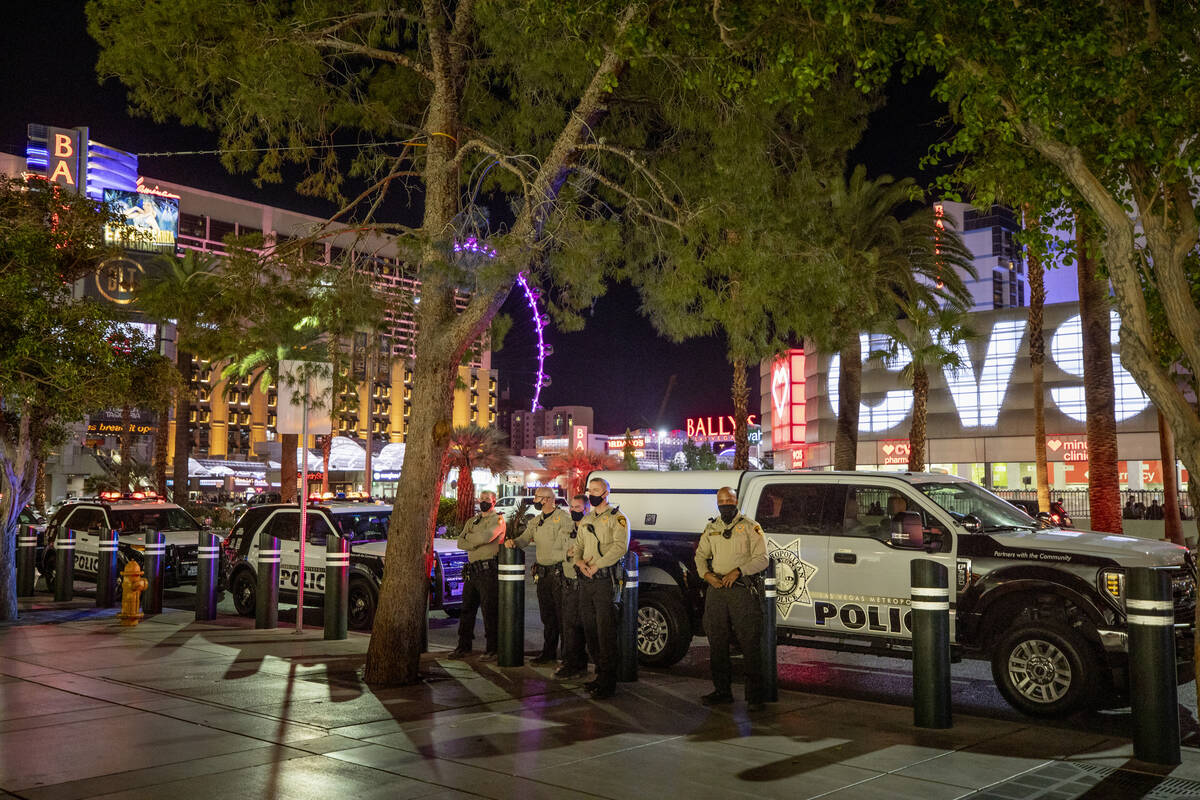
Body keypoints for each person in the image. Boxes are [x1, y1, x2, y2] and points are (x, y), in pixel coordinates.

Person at [695, 486, 769, 711]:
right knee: (717, 642)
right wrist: (706, 575)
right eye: (721, 500)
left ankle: (755, 697)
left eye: (729, 499)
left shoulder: (750, 527)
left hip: (741, 590)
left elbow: (763, 559)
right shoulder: (712, 528)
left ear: (737, 501)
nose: (725, 503)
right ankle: (722, 691)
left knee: (749, 642)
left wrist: (739, 571)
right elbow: (700, 556)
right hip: (716, 590)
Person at [573, 477, 629, 699]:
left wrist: (597, 565)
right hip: (586, 580)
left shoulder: (618, 518)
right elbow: (578, 546)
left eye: (596, 490)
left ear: (606, 493)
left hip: (605, 580)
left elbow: (619, 548)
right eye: (590, 490)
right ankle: (599, 674)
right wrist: (579, 562)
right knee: (590, 629)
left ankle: (608, 681)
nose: (592, 494)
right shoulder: (587, 518)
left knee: (605, 631)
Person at [507, 488, 574, 665]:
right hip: (543, 574)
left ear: (547, 499)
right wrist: (513, 542)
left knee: (563, 617)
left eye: (537, 497)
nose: (534, 500)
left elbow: (566, 545)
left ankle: (568, 658)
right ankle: (549, 652)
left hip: (559, 573)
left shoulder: (563, 519)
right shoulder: (536, 521)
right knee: (547, 616)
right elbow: (525, 539)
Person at [450, 489, 506, 661]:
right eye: (481, 499)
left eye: (487, 499)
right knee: (467, 609)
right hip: (472, 571)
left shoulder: (498, 519)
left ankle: (493, 649)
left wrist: (471, 541)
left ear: (494, 501)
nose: (483, 501)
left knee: (490, 611)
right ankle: (463, 646)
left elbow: (488, 537)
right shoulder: (473, 521)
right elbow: (459, 541)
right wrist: (475, 540)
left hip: (488, 570)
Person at [555, 494, 591, 679]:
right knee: (568, 626)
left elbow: (588, 554)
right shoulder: (566, 529)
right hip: (567, 582)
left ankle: (578, 664)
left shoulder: (590, 530)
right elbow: (559, 551)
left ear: (587, 509)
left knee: (580, 626)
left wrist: (572, 554)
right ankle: (572, 663)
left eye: (578, 508)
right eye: (572, 507)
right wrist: (569, 554)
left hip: (583, 584)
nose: (574, 511)